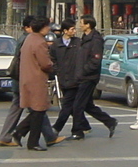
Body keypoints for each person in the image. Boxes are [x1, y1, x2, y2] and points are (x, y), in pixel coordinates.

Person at [12, 16, 68, 151]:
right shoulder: (39, 42)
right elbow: (45, 63)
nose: (49, 29)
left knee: (38, 111)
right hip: (36, 79)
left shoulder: (29, 39)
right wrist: (53, 67)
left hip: (27, 77)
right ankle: (27, 137)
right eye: (47, 26)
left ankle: (23, 134)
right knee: (39, 110)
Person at [68, 16, 117, 137]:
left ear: (88, 25)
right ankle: (109, 121)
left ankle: (77, 131)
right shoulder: (84, 38)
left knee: (78, 105)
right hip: (81, 76)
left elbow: (95, 61)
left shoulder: (95, 40)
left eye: (81, 23)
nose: (79, 25)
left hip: (89, 77)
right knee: (88, 105)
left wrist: (84, 71)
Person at [50, 20, 88, 138]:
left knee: (67, 105)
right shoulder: (56, 44)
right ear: (65, 31)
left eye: (74, 29)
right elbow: (52, 59)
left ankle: (57, 128)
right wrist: (57, 70)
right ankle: (81, 128)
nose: (74, 31)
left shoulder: (78, 42)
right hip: (63, 79)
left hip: (75, 79)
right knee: (73, 106)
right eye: (72, 29)